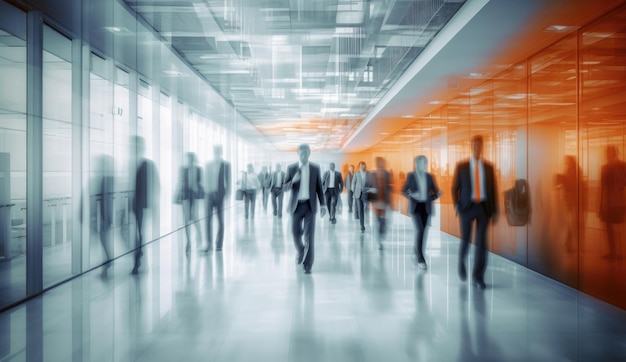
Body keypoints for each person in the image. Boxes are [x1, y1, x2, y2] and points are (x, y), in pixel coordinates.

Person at [452, 135, 498, 289]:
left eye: (480, 146)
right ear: (471, 147)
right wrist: (457, 206)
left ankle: (478, 277)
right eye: (475, 146)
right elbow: (454, 188)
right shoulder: (462, 166)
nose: (477, 148)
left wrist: (495, 210)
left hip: (483, 208)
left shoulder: (489, 168)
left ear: (482, 147)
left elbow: (493, 190)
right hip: (467, 207)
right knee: (465, 239)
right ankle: (461, 262)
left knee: (481, 243)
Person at [283, 144, 327, 274]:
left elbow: (319, 187)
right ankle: (301, 250)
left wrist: (323, 204)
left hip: (309, 206)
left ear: (309, 154)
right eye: (301, 154)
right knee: (295, 234)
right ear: (298, 154)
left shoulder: (315, 168)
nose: (303, 156)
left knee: (309, 236)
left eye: (306, 154)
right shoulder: (291, 168)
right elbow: (284, 188)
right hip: (296, 207)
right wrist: (293, 181)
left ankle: (308, 265)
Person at [402, 155, 442, 269]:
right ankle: (420, 258)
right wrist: (411, 195)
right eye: (420, 163)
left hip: (426, 207)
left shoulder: (430, 176)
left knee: (423, 232)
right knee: (419, 230)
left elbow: (436, 191)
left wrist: (435, 195)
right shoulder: (411, 176)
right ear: (416, 164)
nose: (422, 165)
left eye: (424, 163)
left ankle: (416, 252)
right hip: (415, 207)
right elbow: (404, 190)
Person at [131, 136, 160, 275]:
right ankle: (138, 254)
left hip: (143, 205)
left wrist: (154, 205)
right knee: (137, 233)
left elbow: (157, 185)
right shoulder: (131, 163)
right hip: (135, 204)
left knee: (140, 233)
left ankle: (138, 259)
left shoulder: (149, 164)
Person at [599, 145, 626, 260]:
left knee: (612, 228)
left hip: (613, 201)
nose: (606, 155)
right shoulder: (621, 165)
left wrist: (603, 204)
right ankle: (616, 252)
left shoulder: (608, 167)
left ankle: (615, 253)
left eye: (607, 152)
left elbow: (605, 187)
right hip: (617, 201)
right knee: (615, 227)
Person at [204, 144, 231, 252]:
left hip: (220, 195)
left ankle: (219, 244)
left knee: (220, 220)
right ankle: (209, 244)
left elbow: (228, 180)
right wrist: (207, 192)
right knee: (208, 220)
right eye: (215, 150)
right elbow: (206, 178)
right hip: (209, 194)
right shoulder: (209, 164)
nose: (217, 151)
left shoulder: (226, 164)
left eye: (218, 150)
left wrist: (227, 194)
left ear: (221, 151)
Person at [176, 152, 203, 253]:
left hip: (194, 195)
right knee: (186, 219)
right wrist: (179, 193)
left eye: (191, 158)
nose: (190, 160)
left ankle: (199, 234)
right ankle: (188, 242)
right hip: (186, 195)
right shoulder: (183, 169)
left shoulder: (199, 169)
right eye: (189, 158)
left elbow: (200, 183)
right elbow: (181, 182)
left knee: (195, 216)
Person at [370, 157, 391, 250]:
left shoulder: (387, 174)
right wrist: (371, 190)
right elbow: (368, 185)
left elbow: (390, 187)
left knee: (384, 221)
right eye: (379, 163)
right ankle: (379, 240)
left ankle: (381, 237)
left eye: (382, 163)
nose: (381, 164)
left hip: (384, 201)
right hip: (376, 202)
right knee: (378, 221)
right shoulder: (372, 174)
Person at [352, 161, 370, 233]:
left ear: (365, 166)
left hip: (366, 194)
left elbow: (371, 182)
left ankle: (367, 221)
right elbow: (353, 183)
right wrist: (354, 192)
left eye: (364, 166)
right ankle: (362, 226)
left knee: (366, 208)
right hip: (358, 194)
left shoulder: (368, 173)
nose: (362, 167)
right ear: (359, 166)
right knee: (360, 210)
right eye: (361, 166)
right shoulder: (356, 173)